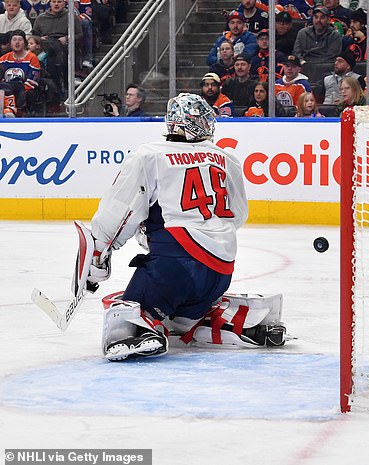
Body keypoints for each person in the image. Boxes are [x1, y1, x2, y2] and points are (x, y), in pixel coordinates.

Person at [86, 93, 283, 361]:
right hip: (219, 272)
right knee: (182, 317)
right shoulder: (226, 158)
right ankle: (221, 319)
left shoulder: (150, 155)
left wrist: (99, 253)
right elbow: (238, 216)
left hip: (173, 267)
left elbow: (119, 210)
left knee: (124, 307)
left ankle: (141, 329)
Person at [31, 0, 82, 90]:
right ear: (50, 3)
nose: (56, 4)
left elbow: (79, 35)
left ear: (64, 3)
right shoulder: (41, 18)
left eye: (59, 1)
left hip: (64, 46)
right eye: (54, 1)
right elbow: (34, 36)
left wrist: (66, 38)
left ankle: (64, 85)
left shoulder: (72, 17)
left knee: (58, 53)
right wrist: (40, 39)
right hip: (45, 46)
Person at [0, 29, 39, 115]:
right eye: (14, 40)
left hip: (23, 89)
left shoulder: (32, 58)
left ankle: (12, 110)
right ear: (10, 43)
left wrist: (17, 89)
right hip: (5, 89)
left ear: (25, 43)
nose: (17, 42)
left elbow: (33, 82)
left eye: (20, 40)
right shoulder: (4, 59)